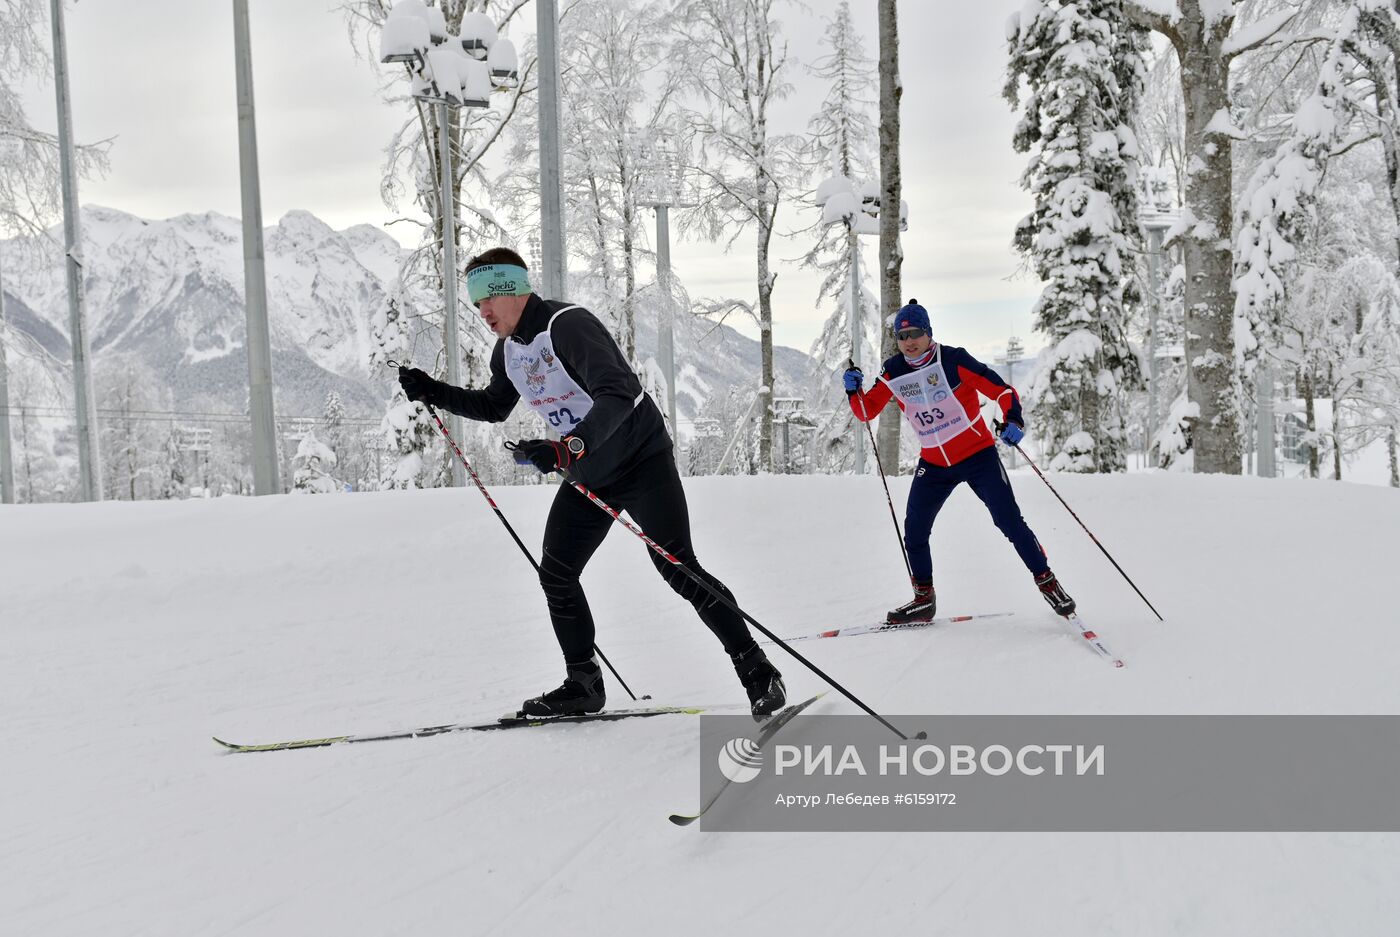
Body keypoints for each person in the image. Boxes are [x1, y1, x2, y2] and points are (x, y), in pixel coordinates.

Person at [397, 247, 785, 720]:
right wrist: (432, 390)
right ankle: (584, 683)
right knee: (556, 573)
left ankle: (758, 672)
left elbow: (618, 393)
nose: (482, 312)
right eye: (475, 302)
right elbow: (494, 406)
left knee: (678, 567)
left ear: (512, 290)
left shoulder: (568, 325)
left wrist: (565, 449)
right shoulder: (510, 351)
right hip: (590, 474)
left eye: (486, 298)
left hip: (641, 460)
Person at [843, 299, 1076, 625]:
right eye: (902, 335)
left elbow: (1002, 391)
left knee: (1008, 521)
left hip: (977, 454)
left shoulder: (953, 360)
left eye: (916, 333)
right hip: (935, 462)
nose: (909, 341)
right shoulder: (893, 370)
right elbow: (867, 412)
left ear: (929, 333)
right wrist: (854, 391)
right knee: (915, 529)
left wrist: (1014, 419)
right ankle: (924, 599)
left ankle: (1047, 581)